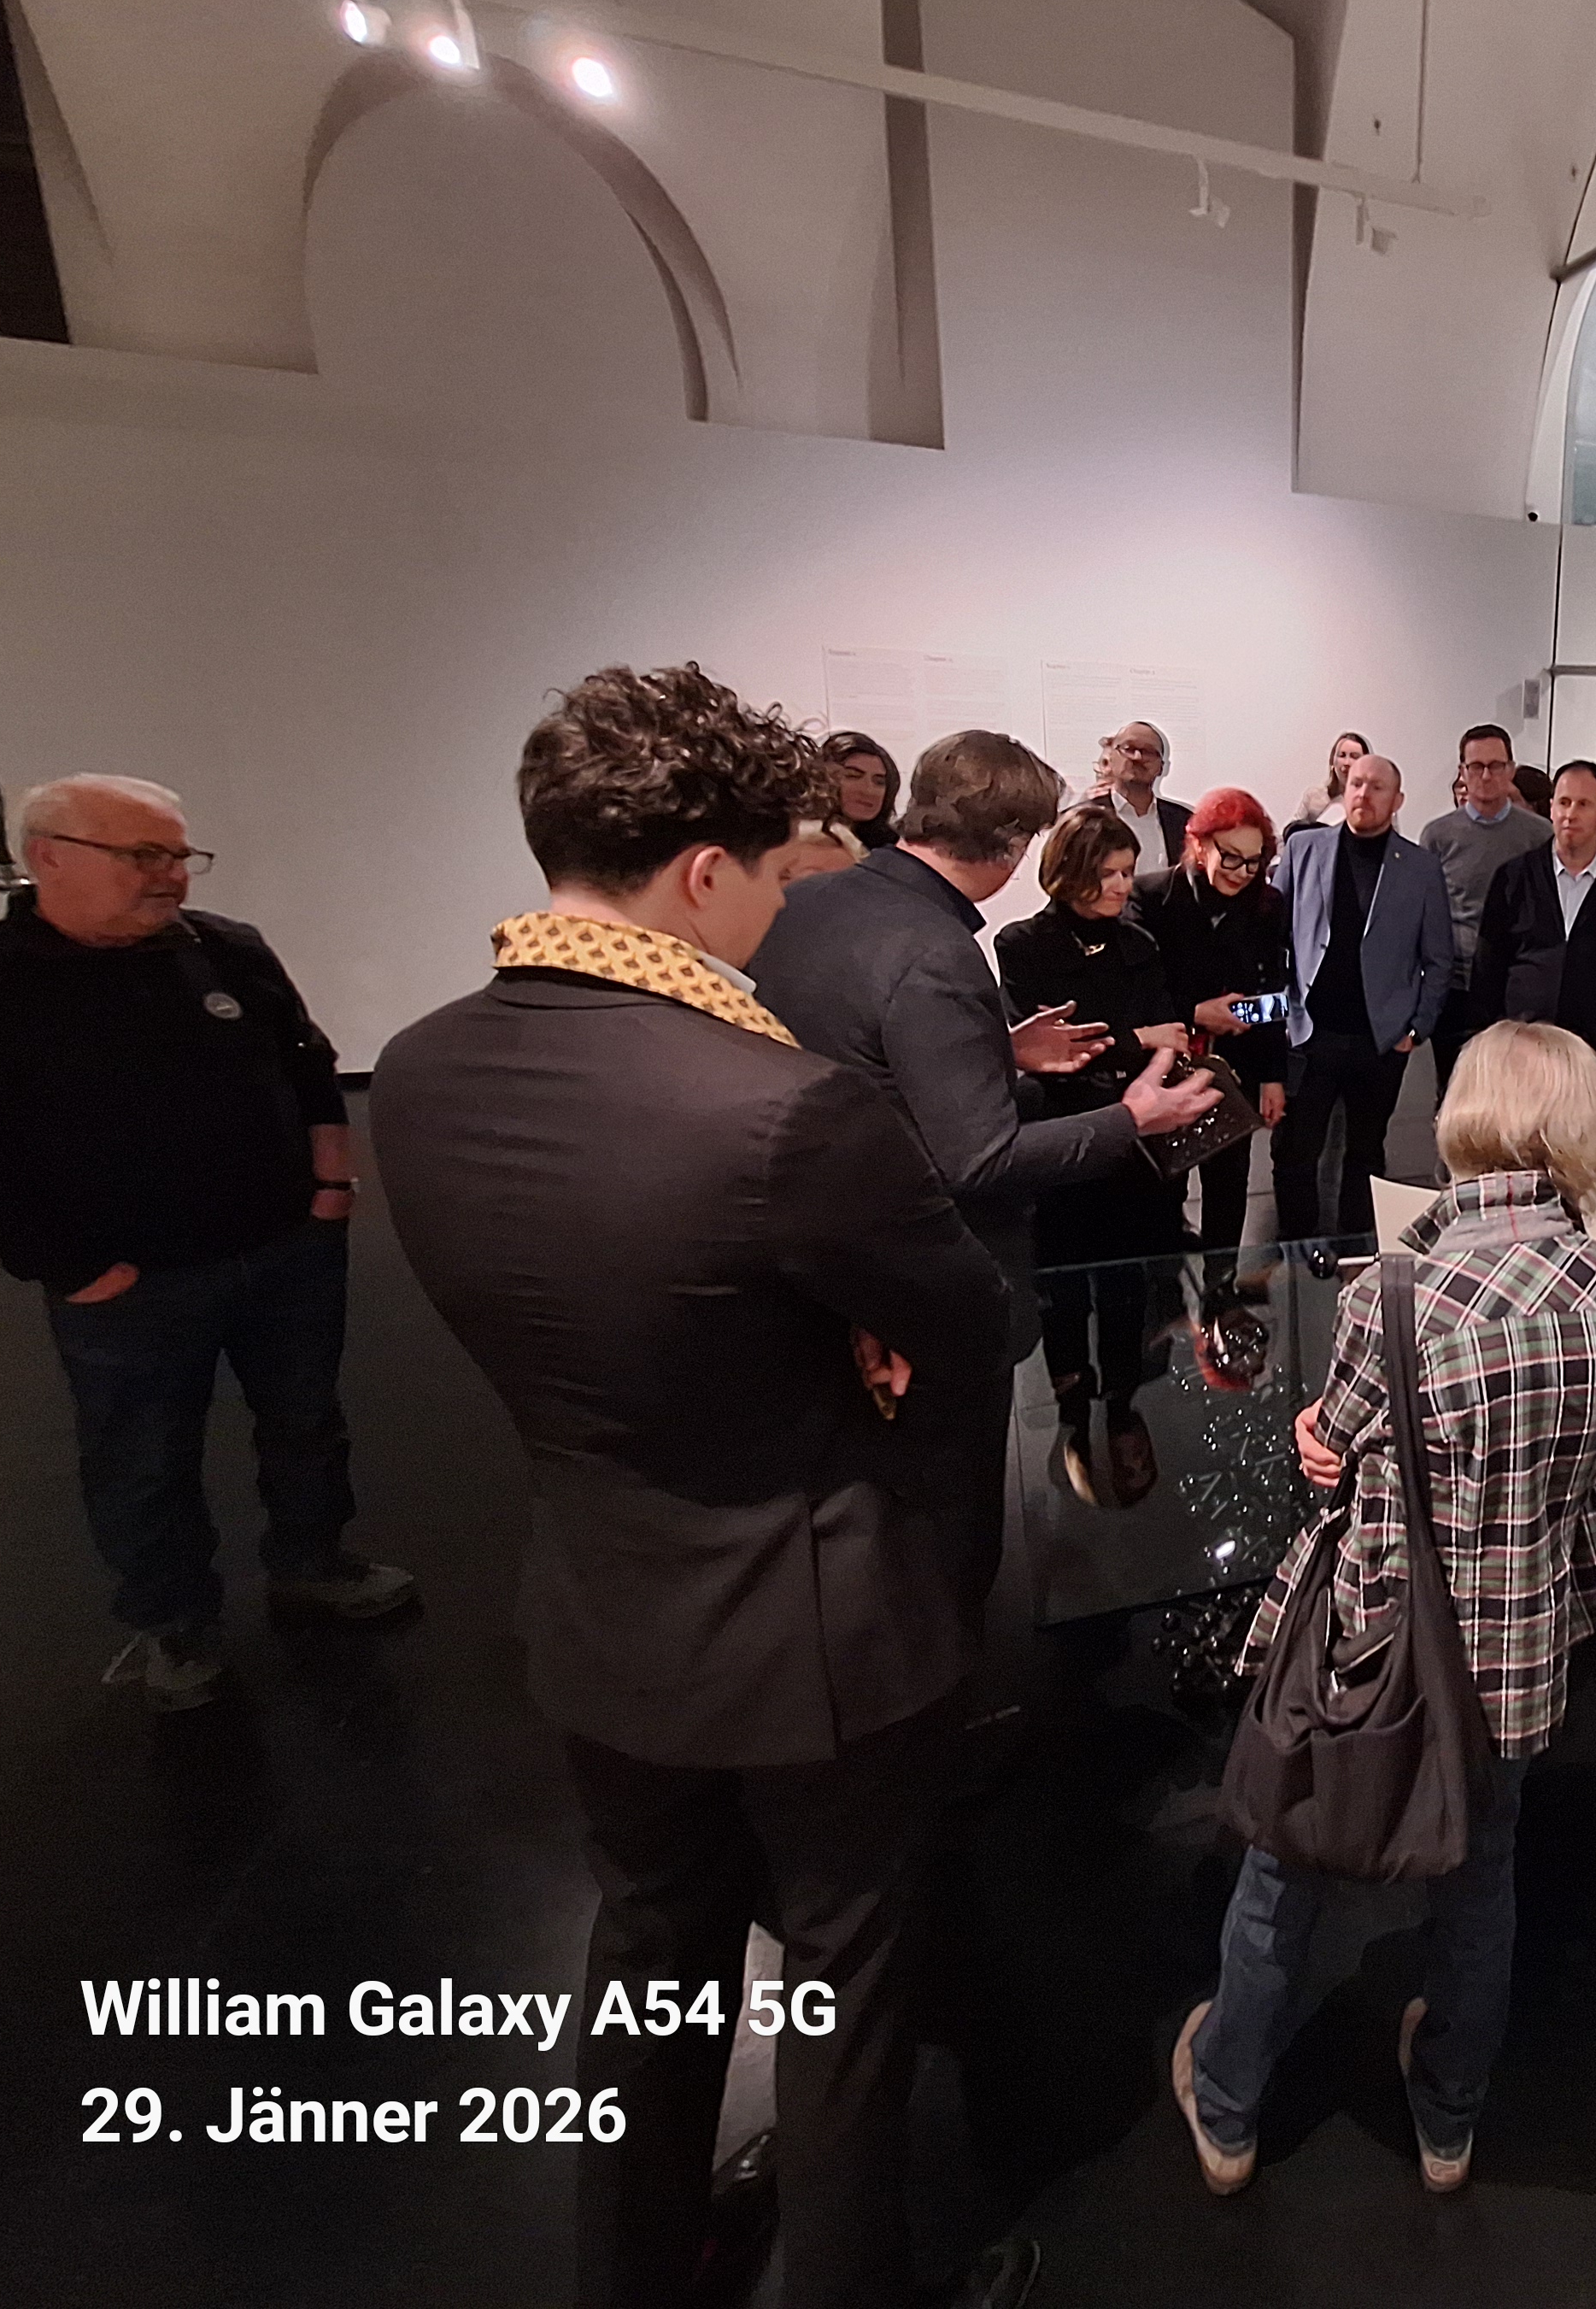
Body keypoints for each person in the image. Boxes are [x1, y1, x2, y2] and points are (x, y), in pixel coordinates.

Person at [367, 665, 1036, 2309]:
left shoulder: (421, 1066)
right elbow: (974, 1322)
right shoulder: (782, 1106)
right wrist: (865, 1331)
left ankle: (640, 2269)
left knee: (652, 1961)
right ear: (702, 873)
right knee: (844, 1987)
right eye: (774, 872)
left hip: (601, 1615)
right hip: (821, 1640)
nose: (785, 908)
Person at [1175, 1021, 1596, 2198]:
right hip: (1522, 1647)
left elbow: (1332, 1447)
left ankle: (1227, 2110)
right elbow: (1593, 1464)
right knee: (1482, 1885)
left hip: (1377, 1647)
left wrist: (1322, 1438)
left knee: (1286, 1866)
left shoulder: (1398, 1292)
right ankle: (1449, 2123)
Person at [0, 773, 412, 1713]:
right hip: (129, 1286)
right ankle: (176, 1626)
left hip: (285, 1252)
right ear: (47, 857)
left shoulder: (225, 949)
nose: (171, 875)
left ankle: (313, 1563)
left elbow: (309, 1064)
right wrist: (69, 1268)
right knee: (141, 1459)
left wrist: (330, 1189)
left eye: (180, 855)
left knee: (307, 1421)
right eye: (143, 854)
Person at [749, 731, 1219, 1612]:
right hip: (921, 1274)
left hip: (818, 1263)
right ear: (1011, 845)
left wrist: (995, 1049)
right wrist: (1132, 1120)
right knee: (947, 1533)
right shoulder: (935, 948)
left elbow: (868, 1057)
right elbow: (981, 1157)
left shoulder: (810, 904)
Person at [995, 808, 1192, 1511]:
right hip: (1061, 1133)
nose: (1121, 885)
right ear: (1071, 871)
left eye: (1127, 871)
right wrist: (1135, 1040)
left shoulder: (1139, 943)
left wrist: (1127, 1048)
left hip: (1132, 1138)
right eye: (1107, 872)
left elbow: (1166, 1035)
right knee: (1061, 1281)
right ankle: (1071, 1402)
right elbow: (1049, 1053)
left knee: (1127, 1278)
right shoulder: (1023, 944)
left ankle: (1122, 1391)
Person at [1270, 753, 1456, 1242]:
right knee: (1295, 1152)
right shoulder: (1304, 848)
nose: (1363, 795)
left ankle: (1357, 1251)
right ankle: (1297, 1251)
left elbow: (1439, 958)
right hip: (1309, 1033)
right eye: (1356, 783)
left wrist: (1417, 1029)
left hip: (1380, 1040)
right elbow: (1272, 938)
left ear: (1397, 800)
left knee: (1367, 1153)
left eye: (1377, 787)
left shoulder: (1420, 867)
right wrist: (1278, 1015)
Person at [1130, 786, 1294, 1259]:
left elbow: (1273, 995)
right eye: (1231, 857)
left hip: (1238, 1068)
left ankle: (1222, 1287)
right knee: (1164, 1192)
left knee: (1229, 1186)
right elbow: (1138, 990)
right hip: (1164, 1069)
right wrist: (1196, 1013)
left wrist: (1273, 1076)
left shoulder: (1266, 904)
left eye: (1254, 862)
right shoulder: (1150, 896)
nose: (1242, 872)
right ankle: (1167, 1290)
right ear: (1199, 844)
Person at [1475, 758, 1596, 1068]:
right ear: (1551, 808)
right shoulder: (1514, 877)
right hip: (1521, 1049)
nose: (1570, 814)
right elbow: (1488, 969)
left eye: (1583, 804)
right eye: (1563, 802)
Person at [1418, 722, 1548, 1087]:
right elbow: (1426, 912)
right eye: (1476, 766)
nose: (1486, 775)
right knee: (1454, 1087)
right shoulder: (1438, 835)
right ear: (1462, 772)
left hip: (1513, 985)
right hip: (1456, 985)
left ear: (1510, 769)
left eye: (1496, 766)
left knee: (1511, 1089)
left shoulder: (1539, 835)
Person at [1088, 720, 1192, 872]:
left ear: (1162, 767)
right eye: (1129, 749)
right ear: (1111, 759)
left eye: (1148, 752)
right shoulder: (1085, 818)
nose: (1137, 757)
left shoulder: (1185, 822)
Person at [823, 730, 904, 852]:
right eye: (852, 775)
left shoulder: (897, 851)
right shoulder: (800, 842)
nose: (868, 790)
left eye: (879, 782)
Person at [1290, 729, 1370, 831]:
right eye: (1342, 755)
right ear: (1333, 761)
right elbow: (1291, 832)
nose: (1347, 762)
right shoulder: (1314, 796)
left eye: (1354, 756)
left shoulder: (1372, 803)